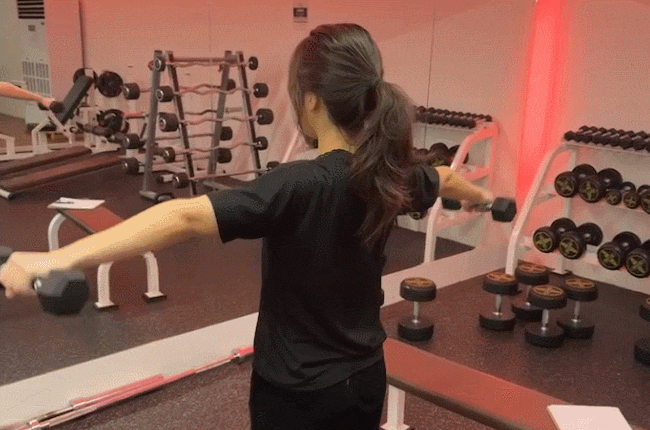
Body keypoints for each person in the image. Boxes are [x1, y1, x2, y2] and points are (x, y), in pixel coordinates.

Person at [0, 24, 494, 430]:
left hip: (297, 392)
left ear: (312, 102)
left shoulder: (299, 183)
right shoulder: (391, 173)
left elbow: (183, 215)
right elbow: (447, 178)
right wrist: (487, 200)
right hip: (364, 376)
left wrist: (52, 257)